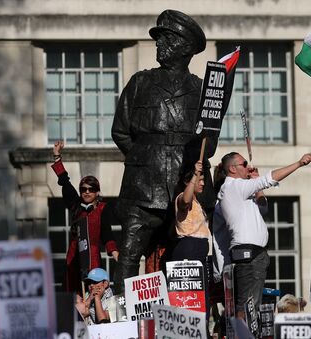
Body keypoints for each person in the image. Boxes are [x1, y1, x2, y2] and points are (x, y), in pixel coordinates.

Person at [111, 9, 218, 294]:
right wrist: (144, 158)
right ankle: (123, 319)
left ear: (184, 47)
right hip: (143, 185)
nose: (158, 45)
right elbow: (120, 131)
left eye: (166, 39)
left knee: (185, 262)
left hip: (186, 186)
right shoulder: (140, 82)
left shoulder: (201, 90)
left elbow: (211, 145)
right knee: (130, 254)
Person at [217, 151, 311, 318]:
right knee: (246, 306)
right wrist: (298, 163)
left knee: (251, 305)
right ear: (232, 169)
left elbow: (263, 207)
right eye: (244, 164)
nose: (248, 167)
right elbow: (269, 179)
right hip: (248, 253)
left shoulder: (240, 190)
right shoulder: (234, 186)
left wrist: (257, 184)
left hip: (256, 254)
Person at [51, 140, 118, 294]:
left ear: (97, 192)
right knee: (73, 295)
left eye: (91, 189)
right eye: (83, 189)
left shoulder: (103, 208)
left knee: (93, 294)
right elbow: (65, 183)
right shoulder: (76, 206)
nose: (87, 192)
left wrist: (117, 256)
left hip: (92, 258)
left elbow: (108, 235)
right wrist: (57, 156)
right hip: (74, 257)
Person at [172, 160, 211, 263]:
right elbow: (185, 200)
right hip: (189, 247)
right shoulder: (181, 197)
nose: (202, 183)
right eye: (199, 180)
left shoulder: (197, 202)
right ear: (186, 182)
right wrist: (194, 174)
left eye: (203, 180)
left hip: (199, 248)